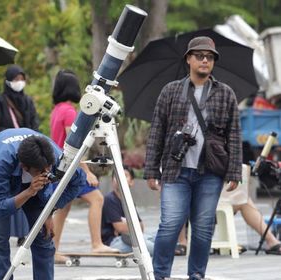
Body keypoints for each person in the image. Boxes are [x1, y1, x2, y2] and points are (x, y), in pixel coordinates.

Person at [143, 36, 242, 280]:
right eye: (199, 56)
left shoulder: (225, 93)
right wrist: (151, 170)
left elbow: (234, 134)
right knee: (170, 225)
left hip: (210, 172)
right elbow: (157, 130)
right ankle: (160, 275)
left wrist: (234, 172)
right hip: (176, 170)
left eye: (209, 57)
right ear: (188, 59)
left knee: (202, 229)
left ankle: (196, 274)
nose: (205, 60)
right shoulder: (171, 90)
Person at [0, 128, 85, 280]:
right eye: (41, 171)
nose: (47, 172)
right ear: (24, 167)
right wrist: (28, 192)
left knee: (44, 238)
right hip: (1, 178)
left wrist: (49, 211)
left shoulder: (55, 156)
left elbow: (79, 180)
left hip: (36, 188)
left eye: (48, 168)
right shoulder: (3, 161)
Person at [49, 70, 116, 264]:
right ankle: (97, 243)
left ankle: (53, 249)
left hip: (59, 164)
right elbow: (75, 143)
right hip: (72, 166)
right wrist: (87, 172)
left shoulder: (57, 110)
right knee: (97, 198)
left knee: (63, 208)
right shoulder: (70, 112)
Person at [0, 65, 39, 245]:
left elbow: (34, 123)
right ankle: (3, 232)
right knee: (9, 194)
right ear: (8, 80)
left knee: (25, 191)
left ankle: (23, 233)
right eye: (15, 79)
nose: (19, 82)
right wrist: (13, 134)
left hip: (27, 153)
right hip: (8, 152)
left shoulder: (28, 101)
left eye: (21, 78)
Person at [101, 166, 154, 256]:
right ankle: (164, 250)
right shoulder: (110, 199)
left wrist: (125, 225)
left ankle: (165, 248)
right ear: (112, 181)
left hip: (130, 237)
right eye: (117, 176)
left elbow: (141, 227)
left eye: (125, 175)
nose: (120, 178)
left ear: (132, 182)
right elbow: (120, 228)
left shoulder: (129, 200)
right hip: (115, 241)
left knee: (155, 236)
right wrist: (129, 226)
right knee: (149, 247)